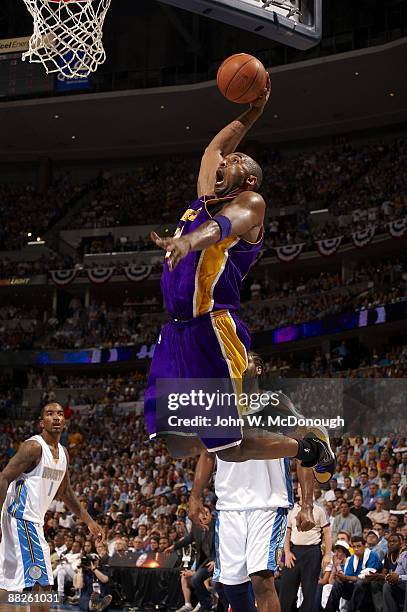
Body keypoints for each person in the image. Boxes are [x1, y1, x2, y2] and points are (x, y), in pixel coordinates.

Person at [144, 79, 335, 483]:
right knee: (175, 441)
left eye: (236, 161)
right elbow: (213, 148)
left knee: (230, 450)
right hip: (175, 334)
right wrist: (254, 112)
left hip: (212, 328)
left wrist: (188, 242)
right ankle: (286, 437)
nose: (225, 161)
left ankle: (308, 445)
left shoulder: (251, 204)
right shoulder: (202, 200)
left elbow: (221, 229)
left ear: (248, 179)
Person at [188, 353, 316, 612]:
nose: (237, 362)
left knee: (261, 579)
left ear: (258, 369)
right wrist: (195, 497)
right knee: (231, 585)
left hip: (267, 503)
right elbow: (207, 455)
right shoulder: (220, 407)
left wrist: (307, 505)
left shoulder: (278, 404)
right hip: (229, 505)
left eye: (244, 358)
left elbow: (307, 451)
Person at [0, 402, 103, 600]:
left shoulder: (63, 453)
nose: (55, 417)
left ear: (64, 421)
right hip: (20, 517)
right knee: (41, 583)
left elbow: (65, 492)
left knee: (16, 584)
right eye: (49, 414)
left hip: (34, 522)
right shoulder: (33, 447)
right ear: (41, 423)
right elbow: (3, 477)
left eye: (59, 414)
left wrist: (90, 521)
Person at [279, 484, 332, 612]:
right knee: (286, 591)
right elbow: (286, 533)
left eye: (303, 486)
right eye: (299, 487)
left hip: (312, 552)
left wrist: (327, 554)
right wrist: (287, 552)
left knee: (309, 591)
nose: (301, 489)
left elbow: (327, 533)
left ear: (310, 490)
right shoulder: (292, 509)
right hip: (294, 552)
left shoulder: (319, 510)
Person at [166, 505, 215, 612]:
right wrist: (173, 547)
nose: (205, 515)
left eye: (207, 513)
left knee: (200, 579)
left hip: (218, 562)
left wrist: (216, 561)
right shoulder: (197, 528)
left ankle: (212, 605)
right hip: (204, 562)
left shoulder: (217, 527)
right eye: (202, 513)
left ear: (211, 515)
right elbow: (188, 539)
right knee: (194, 579)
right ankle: (206, 604)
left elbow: (223, 546)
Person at [325, 536, 383, 612]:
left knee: (360, 583)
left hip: (370, 590)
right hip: (354, 588)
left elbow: (367, 577)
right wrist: (340, 574)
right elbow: (348, 577)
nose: (356, 549)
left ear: (365, 545)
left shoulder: (372, 555)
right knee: (338, 584)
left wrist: (346, 578)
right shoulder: (352, 558)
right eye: (354, 547)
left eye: (358, 546)